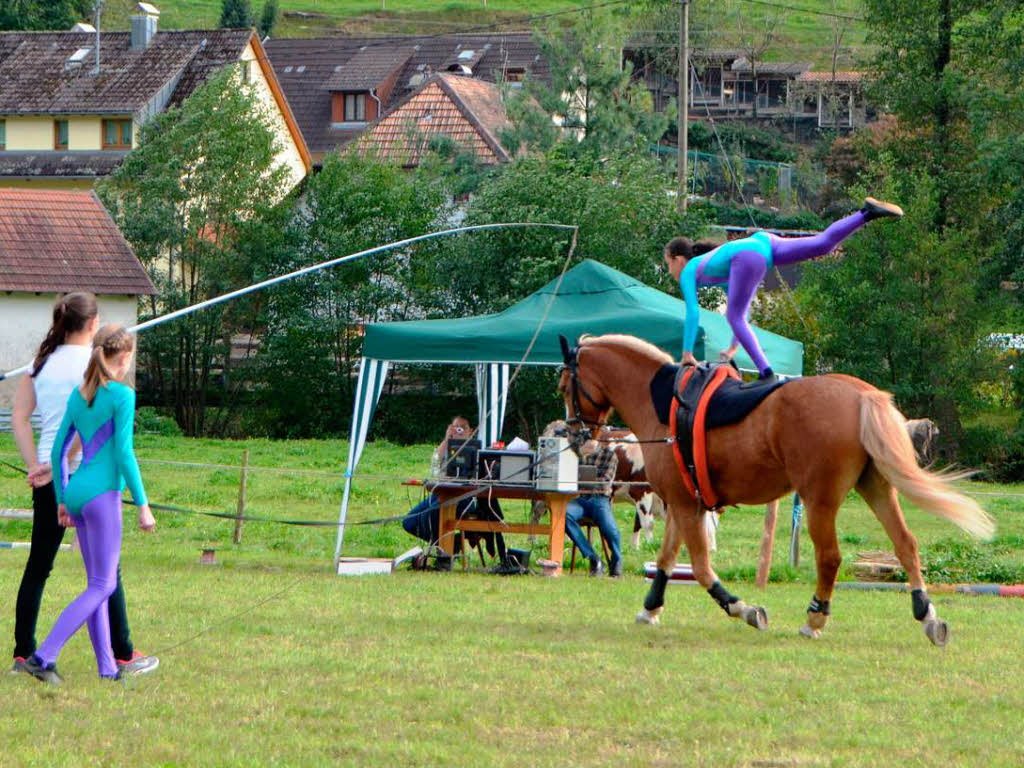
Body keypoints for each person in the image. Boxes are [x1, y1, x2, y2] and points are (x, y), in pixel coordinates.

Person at [11, 295, 157, 679]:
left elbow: (40, 435)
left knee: (45, 569)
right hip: (95, 487)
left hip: (62, 487)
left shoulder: (53, 374)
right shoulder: (115, 389)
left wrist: (47, 480)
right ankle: (46, 656)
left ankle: (103, 666)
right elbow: (120, 451)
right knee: (104, 582)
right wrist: (142, 503)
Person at [664, 197, 903, 379]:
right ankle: (866, 214)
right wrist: (733, 348)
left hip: (748, 254)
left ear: (677, 259)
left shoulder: (689, 271)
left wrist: (686, 354)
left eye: (668, 264)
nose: (669, 271)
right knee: (822, 245)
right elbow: (743, 312)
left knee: (733, 316)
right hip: (763, 242)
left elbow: (694, 313)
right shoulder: (711, 268)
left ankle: (766, 373)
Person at [402, 416, 501, 559]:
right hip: (441, 494)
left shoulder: (477, 449)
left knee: (430, 517)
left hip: (463, 498)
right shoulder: (447, 447)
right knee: (409, 521)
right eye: (456, 427)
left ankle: (444, 552)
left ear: (471, 431)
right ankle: (448, 543)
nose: (459, 430)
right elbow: (435, 462)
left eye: (463, 427)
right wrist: (448, 437)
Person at [565, 434, 622, 577]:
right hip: (581, 499)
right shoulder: (578, 454)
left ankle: (616, 561)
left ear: (598, 441)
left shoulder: (610, 455)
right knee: (564, 514)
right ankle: (594, 559)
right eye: (586, 440)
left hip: (600, 499)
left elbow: (605, 481)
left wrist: (585, 480)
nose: (588, 442)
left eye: (591, 440)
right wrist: (581, 458)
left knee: (610, 530)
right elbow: (569, 476)